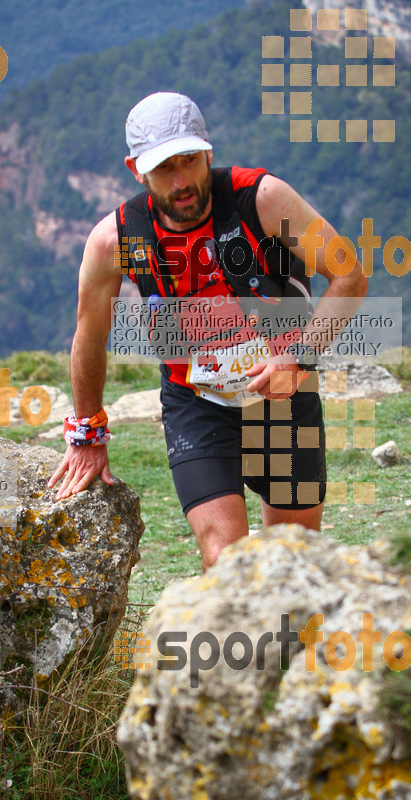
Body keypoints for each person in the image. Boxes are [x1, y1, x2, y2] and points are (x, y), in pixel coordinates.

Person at [48, 92, 368, 571]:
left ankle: (291, 647)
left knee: (292, 561)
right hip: (195, 402)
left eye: (190, 161)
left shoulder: (260, 199)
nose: (181, 181)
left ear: (208, 153)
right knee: (224, 561)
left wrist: (298, 358)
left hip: (280, 394)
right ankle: (235, 643)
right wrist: (87, 432)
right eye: (164, 168)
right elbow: (89, 335)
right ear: (136, 168)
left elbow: (350, 276)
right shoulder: (116, 238)